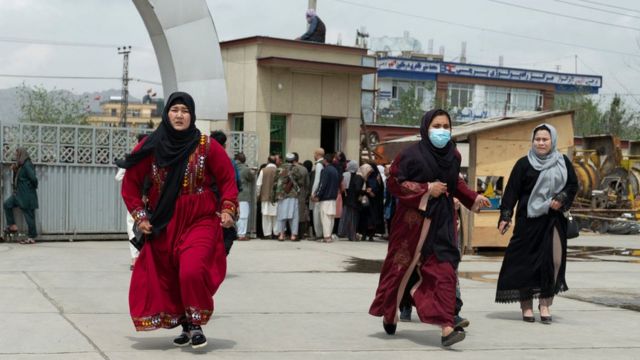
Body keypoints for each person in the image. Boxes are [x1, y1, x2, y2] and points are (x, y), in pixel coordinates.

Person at [118, 92, 238, 349]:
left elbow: (228, 179)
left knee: (192, 269)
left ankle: (195, 323)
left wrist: (227, 209)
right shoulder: (151, 145)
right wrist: (140, 216)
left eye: (185, 110)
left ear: (192, 115)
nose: (180, 115)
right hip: (165, 220)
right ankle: (184, 322)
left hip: (200, 217)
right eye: (175, 110)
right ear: (167, 114)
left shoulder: (206, 145)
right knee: (169, 275)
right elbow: (130, 184)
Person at [369, 109, 489, 347]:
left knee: (444, 273)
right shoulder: (410, 155)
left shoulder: (454, 156)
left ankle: (446, 328)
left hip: (442, 222)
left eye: (446, 126)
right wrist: (425, 189)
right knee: (400, 270)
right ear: (426, 127)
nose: (442, 131)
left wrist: (473, 198)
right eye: (437, 125)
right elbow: (394, 183)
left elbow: (455, 183)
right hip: (412, 224)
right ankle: (390, 311)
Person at [496, 123, 578, 324]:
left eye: (545, 139)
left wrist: (562, 197)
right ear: (532, 141)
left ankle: (545, 303)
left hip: (554, 220)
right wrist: (505, 216)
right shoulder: (524, 164)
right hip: (528, 221)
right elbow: (511, 191)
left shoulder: (562, 162)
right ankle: (526, 306)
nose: (541, 143)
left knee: (554, 261)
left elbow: (573, 184)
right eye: (537, 139)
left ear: (553, 141)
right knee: (525, 263)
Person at [116, 134, 149, 269]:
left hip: (135, 202)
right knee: (146, 228)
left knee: (132, 227)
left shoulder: (134, 159)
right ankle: (143, 258)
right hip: (150, 201)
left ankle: (135, 258)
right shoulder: (155, 158)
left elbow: (118, 177)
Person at [3, 147, 39, 244]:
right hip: (19, 194)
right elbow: (20, 177)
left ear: (22, 154)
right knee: (7, 204)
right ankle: (12, 225)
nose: (16, 156)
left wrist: (30, 188)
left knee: (29, 215)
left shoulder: (27, 164)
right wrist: (15, 170)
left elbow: (34, 179)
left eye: (17, 154)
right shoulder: (21, 165)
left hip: (26, 195)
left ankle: (31, 237)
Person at [273, 153, 306, 241]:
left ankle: (281, 235)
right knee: (294, 216)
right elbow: (301, 182)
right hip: (292, 195)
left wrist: (274, 195)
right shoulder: (295, 169)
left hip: (281, 195)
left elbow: (275, 182)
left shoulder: (279, 168)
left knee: (281, 215)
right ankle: (293, 235)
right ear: (293, 160)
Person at [312, 153, 340, 243]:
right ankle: (329, 235)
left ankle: (327, 237)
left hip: (326, 198)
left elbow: (322, 185)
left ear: (325, 160)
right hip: (333, 198)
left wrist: (317, 195)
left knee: (325, 218)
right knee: (331, 218)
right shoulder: (335, 170)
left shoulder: (325, 170)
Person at [339, 162, 370, 241]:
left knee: (349, 217)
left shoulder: (352, 175)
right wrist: (364, 191)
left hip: (349, 199)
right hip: (353, 201)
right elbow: (357, 189)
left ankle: (348, 234)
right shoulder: (359, 177)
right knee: (353, 218)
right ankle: (352, 236)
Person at [256, 156, 278, 239]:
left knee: (266, 216)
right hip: (277, 198)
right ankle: (276, 233)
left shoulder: (263, 171)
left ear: (268, 161)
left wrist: (258, 195)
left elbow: (258, 184)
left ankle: (267, 234)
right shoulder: (279, 171)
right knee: (276, 216)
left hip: (265, 196)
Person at [235, 153, 255, 240]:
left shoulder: (232, 167)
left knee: (235, 215)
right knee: (243, 215)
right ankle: (241, 235)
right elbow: (251, 178)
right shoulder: (245, 169)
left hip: (233, 195)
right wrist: (253, 172)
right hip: (243, 195)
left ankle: (236, 232)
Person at [292, 152, 310, 239]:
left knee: (290, 213)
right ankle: (300, 234)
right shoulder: (304, 169)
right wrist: (306, 194)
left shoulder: (288, 168)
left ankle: (291, 233)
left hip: (290, 194)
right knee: (301, 214)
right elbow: (307, 184)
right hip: (301, 194)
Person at [310, 148, 325, 239]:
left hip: (317, 193)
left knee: (317, 214)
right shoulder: (324, 163)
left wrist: (313, 192)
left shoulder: (319, 164)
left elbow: (317, 180)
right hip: (322, 192)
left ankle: (318, 234)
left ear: (317, 154)